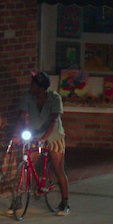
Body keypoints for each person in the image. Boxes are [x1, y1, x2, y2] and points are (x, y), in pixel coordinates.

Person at [16, 71, 70, 215]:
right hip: (35, 135)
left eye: (33, 84)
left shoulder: (54, 98)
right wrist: (17, 134)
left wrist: (44, 138)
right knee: (27, 165)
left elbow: (54, 120)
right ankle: (18, 198)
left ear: (41, 87)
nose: (30, 87)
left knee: (58, 167)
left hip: (53, 136)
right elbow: (21, 116)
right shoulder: (29, 96)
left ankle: (65, 202)